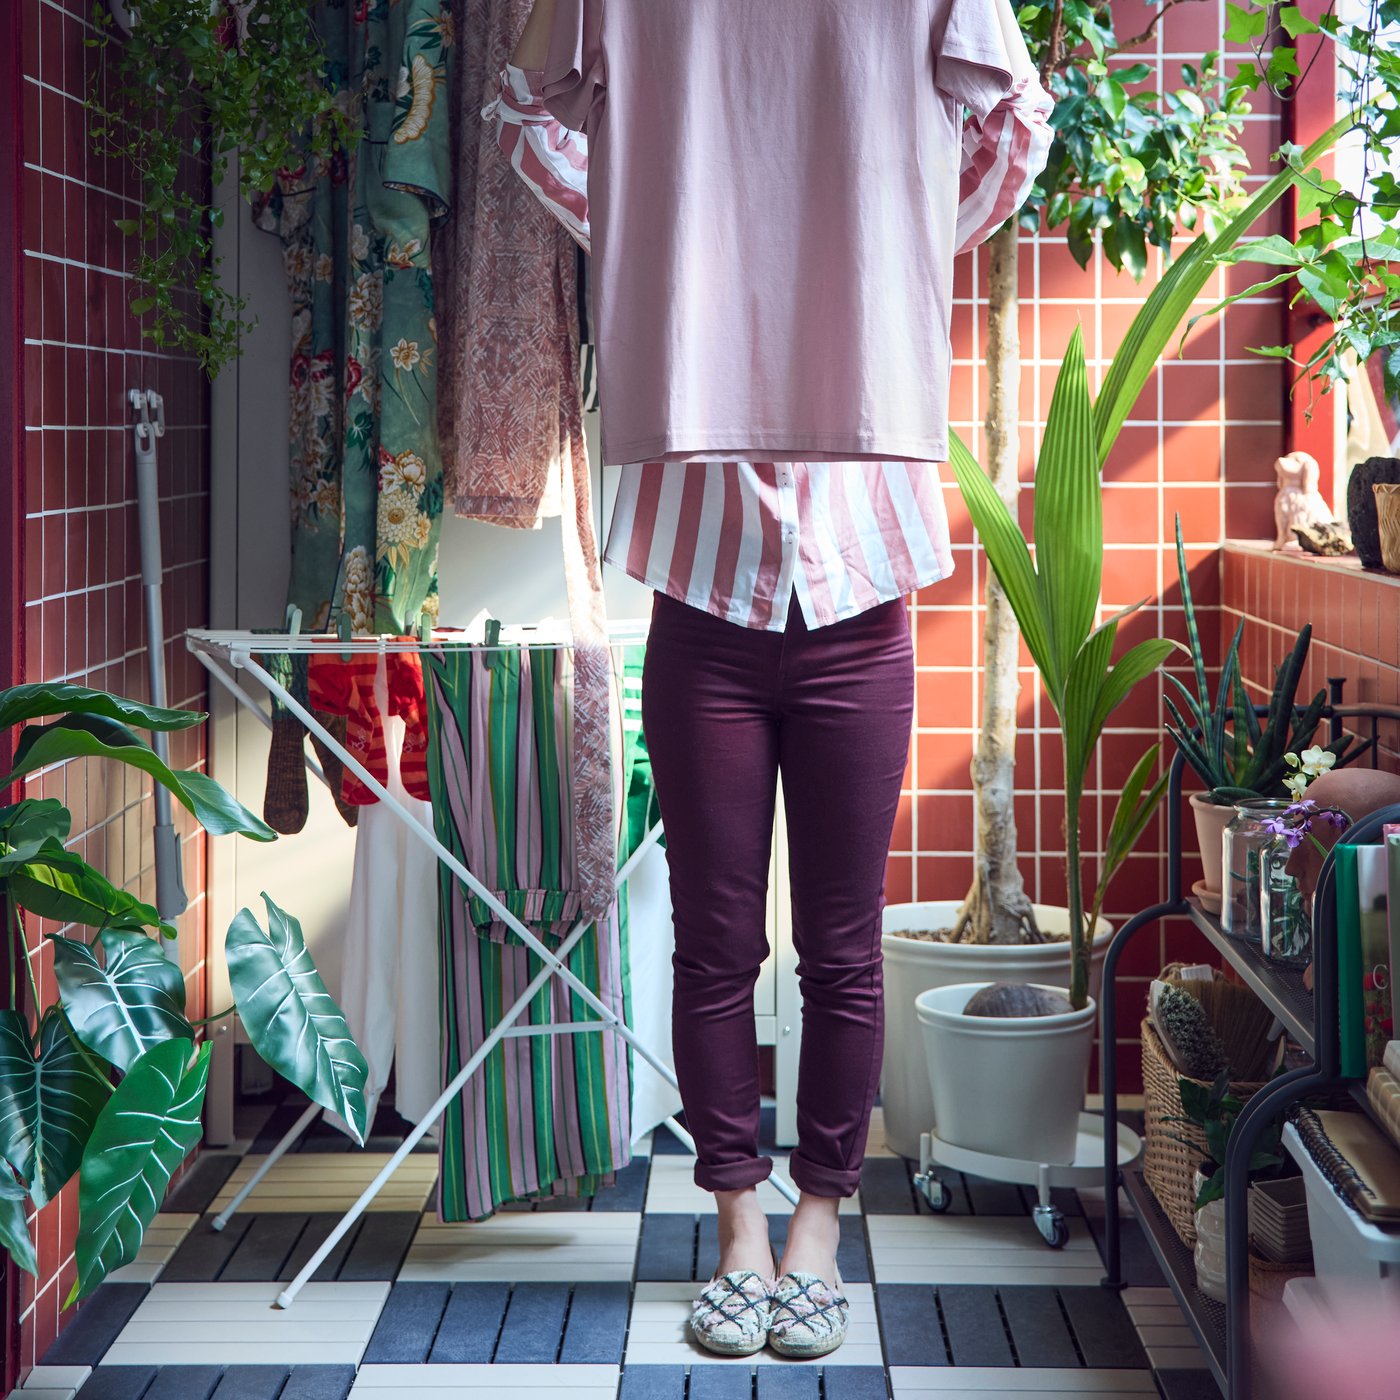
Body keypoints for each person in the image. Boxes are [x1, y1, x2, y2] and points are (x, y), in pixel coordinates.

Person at [490, 0, 1054, 1358]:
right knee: (715, 942)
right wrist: (657, 232)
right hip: (707, 593)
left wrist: (893, 240)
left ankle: (820, 1224)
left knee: (846, 946)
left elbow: (1020, 120)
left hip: (862, 591)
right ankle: (732, 1223)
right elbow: (523, 119)